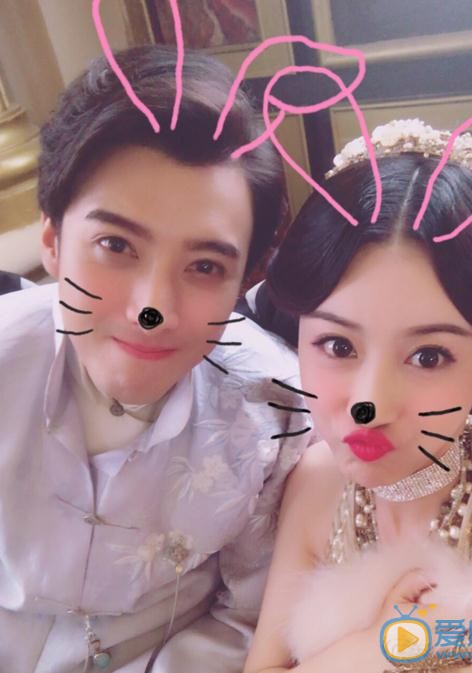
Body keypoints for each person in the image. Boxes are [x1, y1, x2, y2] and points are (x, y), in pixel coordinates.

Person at [0, 45, 315, 672]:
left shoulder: (277, 414)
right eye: (116, 245)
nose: (152, 310)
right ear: (53, 241)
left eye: (205, 267)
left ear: (244, 279)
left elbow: (251, 616)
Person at [243, 119, 472, 673]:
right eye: (337, 345)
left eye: (428, 356)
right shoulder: (316, 482)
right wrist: (385, 644)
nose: (369, 406)